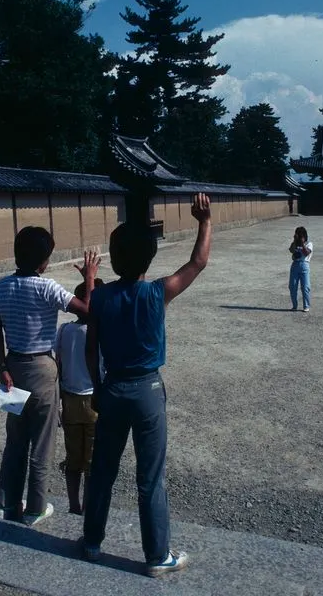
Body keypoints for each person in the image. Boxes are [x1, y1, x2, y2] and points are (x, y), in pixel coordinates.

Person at [82, 193, 212, 578]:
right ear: (149, 258)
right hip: (147, 392)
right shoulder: (157, 293)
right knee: (149, 477)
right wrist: (204, 221)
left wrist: (97, 388)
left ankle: (91, 541)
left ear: (115, 256)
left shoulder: (101, 297)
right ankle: (157, 556)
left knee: (103, 471)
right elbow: (198, 262)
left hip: (112, 388)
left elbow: (91, 349)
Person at [0, 227, 100, 526]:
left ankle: (5, 502)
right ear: (44, 262)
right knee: (41, 441)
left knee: (15, 440)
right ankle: (35, 507)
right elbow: (89, 311)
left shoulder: (1, 287)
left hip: (12, 368)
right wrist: (89, 277)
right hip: (41, 368)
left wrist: (2, 366)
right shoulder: (47, 287)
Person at [55, 278, 105, 515]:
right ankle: (88, 508)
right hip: (95, 401)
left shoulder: (65, 330)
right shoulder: (102, 333)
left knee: (73, 458)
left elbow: (59, 364)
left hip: (70, 400)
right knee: (93, 463)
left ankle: (74, 505)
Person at [288, 226, 313, 312]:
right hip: (295, 265)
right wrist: (295, 241)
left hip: (304, 266)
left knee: (305, 287)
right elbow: (291, 250)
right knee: (292, 286)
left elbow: (306, 253)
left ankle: (306, 306)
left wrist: (302, 244)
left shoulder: (309, 244)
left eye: (301, 235)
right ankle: (294, 306)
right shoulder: (295, 243)